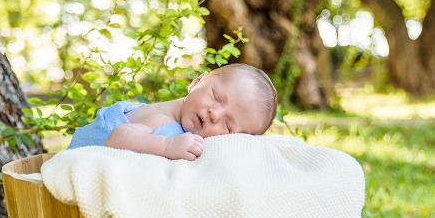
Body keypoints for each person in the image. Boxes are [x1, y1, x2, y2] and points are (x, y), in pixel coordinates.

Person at [66, 63, 277, 161]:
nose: (215, 114)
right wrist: (167, 145)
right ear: (197, 81)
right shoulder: (162, 122)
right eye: (216, 97)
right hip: (78, 167)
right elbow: (118, 137)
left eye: (228, 125)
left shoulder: (179, 120)